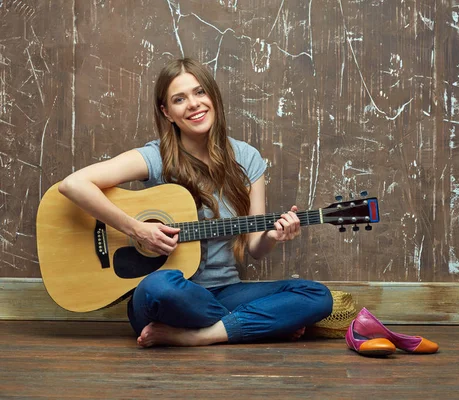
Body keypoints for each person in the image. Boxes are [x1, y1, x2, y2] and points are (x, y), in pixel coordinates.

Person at [58, 58, 333, 347]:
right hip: (170, 296)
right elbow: (73, 184)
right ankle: (254, 324)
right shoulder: (156, 157)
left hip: (226, 290)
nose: (193, 104)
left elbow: (255, 249)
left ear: (213, 96)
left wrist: (273, 235)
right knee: (159, 287)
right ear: (167, 112)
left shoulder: (247, 158)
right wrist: (136, 229)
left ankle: (198, 336)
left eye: (200, 92)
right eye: (179, 99)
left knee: (317, 296)